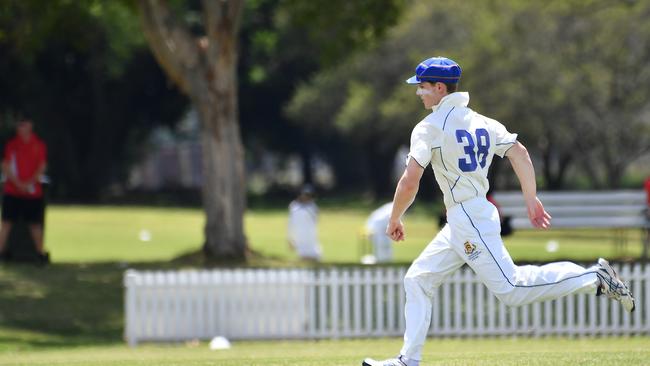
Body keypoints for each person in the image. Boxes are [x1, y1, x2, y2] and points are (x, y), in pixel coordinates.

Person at [362, 57, 635, 366]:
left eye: (422, 87)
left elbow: (410, 181)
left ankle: (593, 277)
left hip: (469, 219)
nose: (418, 93)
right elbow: (519, 152)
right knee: (418, 279)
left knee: (512, 289)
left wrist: (395, 217)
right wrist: (531, 198)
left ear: (439, 88)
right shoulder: (482, 121)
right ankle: (408, 361)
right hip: (467, 216)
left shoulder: (429, 128)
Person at [0, 117, 49, 264]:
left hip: (33, 192)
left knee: (35, 224)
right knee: (6, 223)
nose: (21, 127)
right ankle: (1, 252)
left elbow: (42, 166)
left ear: (31, 125)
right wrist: (18, 184)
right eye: (19, 125)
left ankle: (41, 254)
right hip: (12, 191)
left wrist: (29, 183)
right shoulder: (11, 145)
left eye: (24, 124)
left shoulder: (38, 145)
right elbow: (6, 165)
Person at [287, 185, 321, 261]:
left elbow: (315, 217)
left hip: (311, 240)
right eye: (304, 195)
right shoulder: (294, 207)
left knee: (314, 257)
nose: (306, 197)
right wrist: (290, 239)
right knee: (303, 258)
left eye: (308, 195)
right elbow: (290, 224)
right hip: (300, 239)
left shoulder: (312, 207)